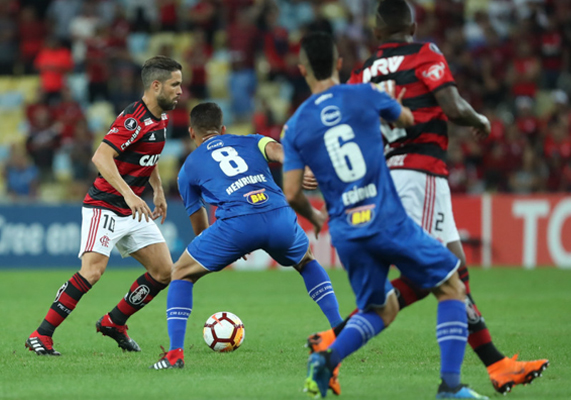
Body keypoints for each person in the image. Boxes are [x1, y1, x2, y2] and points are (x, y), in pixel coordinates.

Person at [307, 1, 549, 394]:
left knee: (456, 268)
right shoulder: (424, 53)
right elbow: (452, 106)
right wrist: (479, 119)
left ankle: (498, 364)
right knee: (441, 277)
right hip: (419, 173)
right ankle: (336, 343)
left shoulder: (361, 72)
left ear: (376, 32)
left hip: (390, 175)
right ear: (413, 25)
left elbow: (345, 128)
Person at [282, 32, 488, 399]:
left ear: (302, 70)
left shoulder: (294, 126)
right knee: (452, 286)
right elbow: (406, 118)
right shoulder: (363, 94)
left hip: (346, 230)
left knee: (381, 308)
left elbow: (293, 192)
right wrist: (396, 108)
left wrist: (313, 217)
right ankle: (450, 387)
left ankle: (327, 360)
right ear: (340, 64)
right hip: (385, 217)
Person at [149, 102, 342, 370]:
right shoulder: (251, 139)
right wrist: (305, 169)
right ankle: (340, 330)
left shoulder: (188, 169)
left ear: (192, 133)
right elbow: (277, 150)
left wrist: (232, 244)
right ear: (224, 129)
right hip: (278, 213)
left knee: (181, 273)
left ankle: (174, 355)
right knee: (307, 261)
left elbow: (200, 229)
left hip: (237, 225)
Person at [25, 55, 183, 355]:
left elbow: (148, 156)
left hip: (133, 206)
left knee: (164, 271)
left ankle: (114, 321)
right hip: (106, 204)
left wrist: (158, 189)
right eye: (175, 85)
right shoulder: (133, 119)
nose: (180, 91)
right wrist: (128, 193)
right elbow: (101, 157)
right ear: (156, 85)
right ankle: (41, 335)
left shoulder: (161, 116)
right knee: (93, 271)